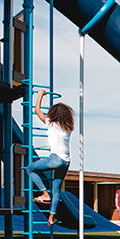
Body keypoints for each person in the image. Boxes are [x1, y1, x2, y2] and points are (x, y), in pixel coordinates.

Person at [27, 87, 74, 226]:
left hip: (56, 159)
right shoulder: (68, 127)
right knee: (56, 189)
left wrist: (40, 95)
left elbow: (37, 110)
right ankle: (52, 216)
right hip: (66, 161)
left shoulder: (51, 123)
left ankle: (44, 193)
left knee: (30, 169)